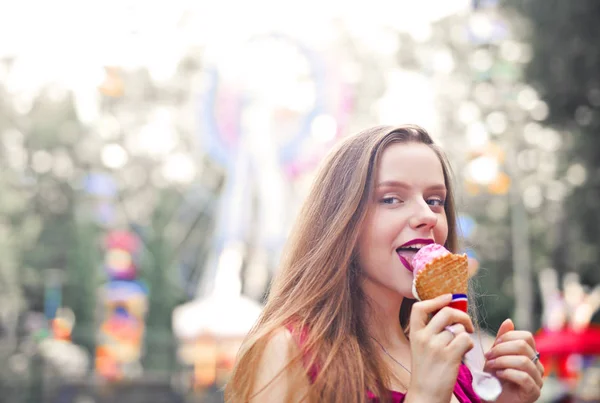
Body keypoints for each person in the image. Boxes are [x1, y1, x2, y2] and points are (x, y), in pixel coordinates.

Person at [225, 125, 544, 403]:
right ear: (342, 221)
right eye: (391, 198)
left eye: (435, 200)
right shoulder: (292, 352)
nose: (426, 216)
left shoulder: (451, 364)